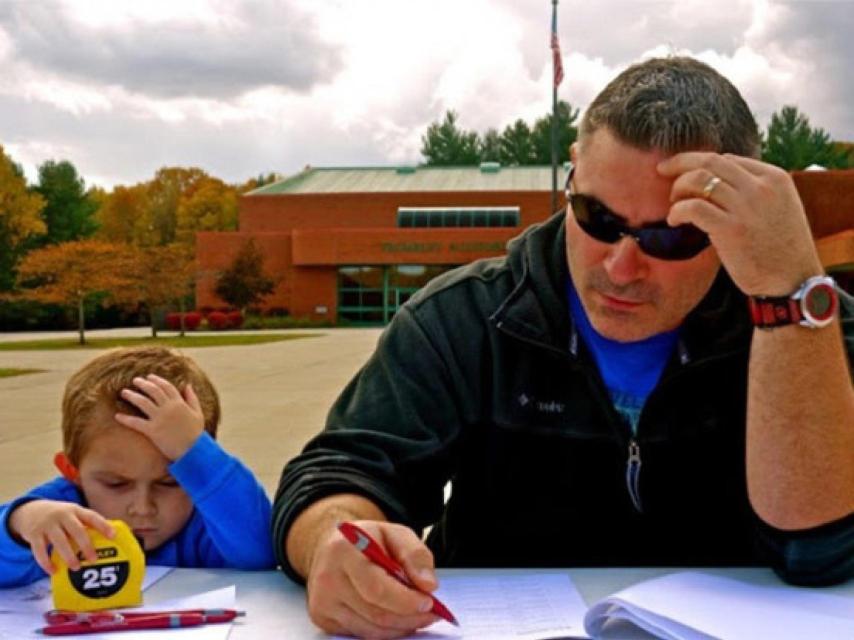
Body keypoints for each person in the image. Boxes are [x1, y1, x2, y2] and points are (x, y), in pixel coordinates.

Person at [273, 56, 854, 638]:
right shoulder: (468, 318)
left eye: (669, 238)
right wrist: (333, 541)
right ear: (573, 172)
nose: (621, 268)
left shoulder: (813, 331)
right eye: (597, 217)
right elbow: (341, 472)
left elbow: (818, 548)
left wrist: (787, 301)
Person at [0, 346, 276, 587]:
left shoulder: (209, 523)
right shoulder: (61, 518)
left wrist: (196, 453)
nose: (143, 508)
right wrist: (20, 524)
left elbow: (262, 551)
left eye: (169, 483)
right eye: (116, 484)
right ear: (73, 471)